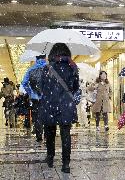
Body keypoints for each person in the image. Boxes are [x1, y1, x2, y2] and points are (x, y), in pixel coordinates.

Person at [40, 43, 79, 173]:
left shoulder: (47, 68)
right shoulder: (72, 67)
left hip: (50, 104)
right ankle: (66, 164)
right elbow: (75, 87)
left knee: (50, 132)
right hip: (65, 104)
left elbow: (42, 87)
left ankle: (50, 158)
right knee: (65, 134)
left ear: (52, 54)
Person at [22, 54, 46, 142]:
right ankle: (48, 136)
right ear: (45, 58)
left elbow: (24, 83)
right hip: (47, 97)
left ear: (36, 59)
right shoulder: (50, 68)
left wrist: (30, 92)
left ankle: (39, 136)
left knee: (37, 117)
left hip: (35, 97)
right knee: (48, 115)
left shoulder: (30, 69)